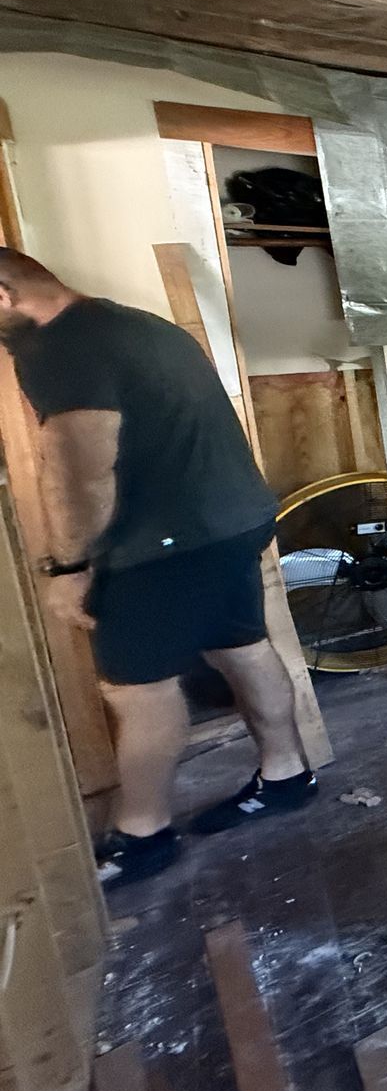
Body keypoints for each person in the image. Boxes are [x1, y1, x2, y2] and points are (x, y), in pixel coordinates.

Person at [0, 250, 318, 889]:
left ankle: (141, 837)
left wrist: (68, 566)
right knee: (242, 647)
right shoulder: (134, 323)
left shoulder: (63, 349)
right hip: (231, 519)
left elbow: (82, 472)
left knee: (137, 692)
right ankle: (286, 777)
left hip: (164, 546)